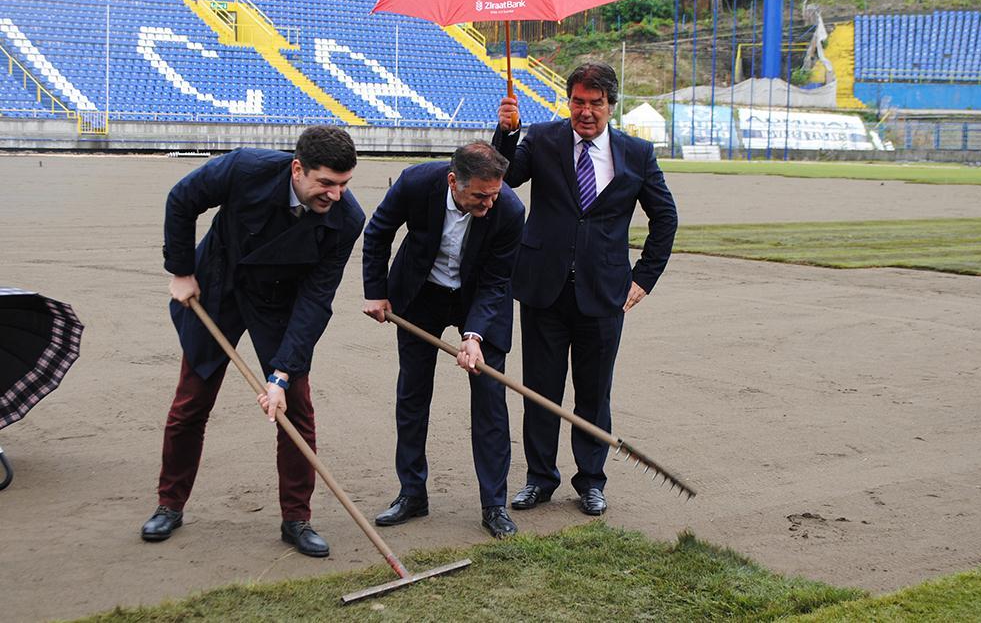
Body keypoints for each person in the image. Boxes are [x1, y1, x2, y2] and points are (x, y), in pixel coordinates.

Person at [140, 126, 365, 558]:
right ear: (298, 169)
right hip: (217, 287)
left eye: (343, 185)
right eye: (326, 183)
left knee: (295, 408)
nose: (335, 195)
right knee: (191, 401)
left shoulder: (346, 221)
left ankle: (296, 519)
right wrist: (182, 270)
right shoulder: (246, 168)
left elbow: (316, 300)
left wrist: (281, 373)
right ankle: (169, 504)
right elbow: (182, 200)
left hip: (279, 304)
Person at [493, 62, 678, 516]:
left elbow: (665, 219)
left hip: (604, 293)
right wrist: (507, 132)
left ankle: (591, 481)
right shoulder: (541, 138)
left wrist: (644, 279)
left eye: (595, 103)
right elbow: (506, 177)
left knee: (594, 393)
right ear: (569, 101)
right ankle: (540, 478)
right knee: (541, 390)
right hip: (544, 289)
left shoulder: (637, 153)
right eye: (578, 101)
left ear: (611, 105)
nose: (586, 111)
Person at [362, 141, 525, 538]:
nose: (489, 203)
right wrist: (376, 291)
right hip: (421, 294)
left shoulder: (510, 209)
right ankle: (412, 493)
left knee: (489, 399)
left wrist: (474, 336)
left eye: (494, 194)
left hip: (479, 299)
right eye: (479, 196)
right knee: (413, 394)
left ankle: (494, 505)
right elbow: (378, 232)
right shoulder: (416, 184)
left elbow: (497, 279)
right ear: (454, 181)